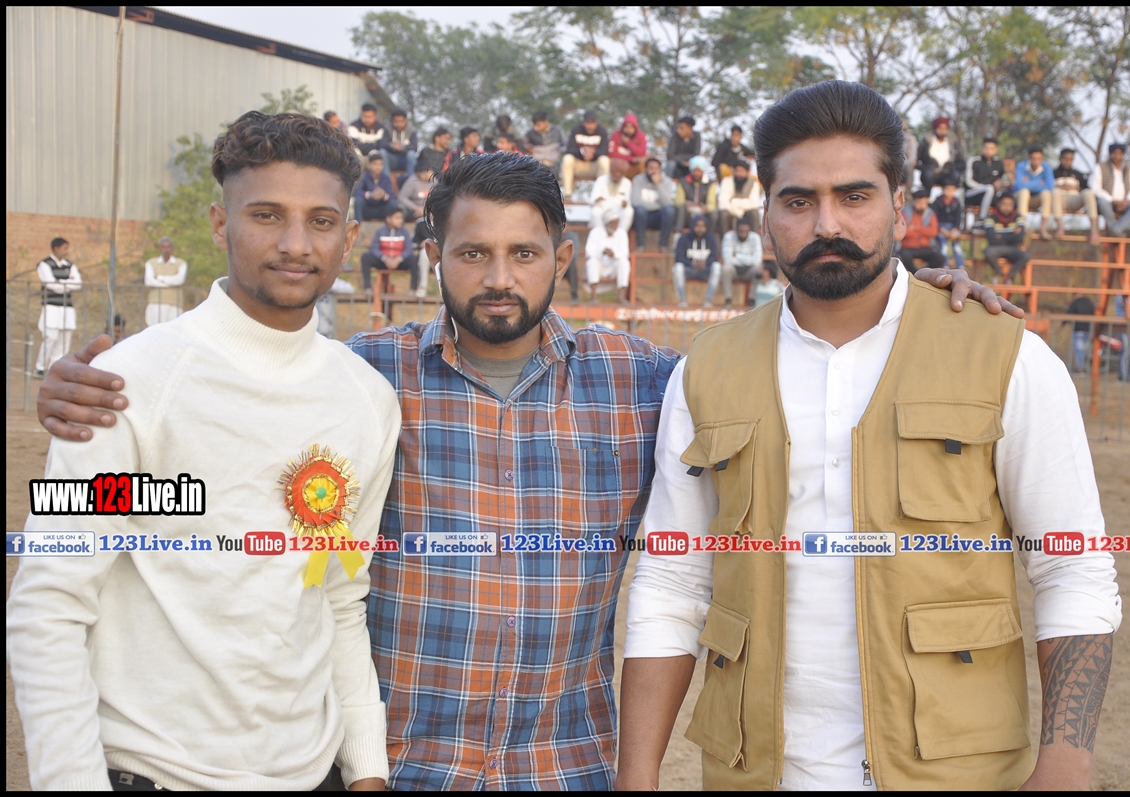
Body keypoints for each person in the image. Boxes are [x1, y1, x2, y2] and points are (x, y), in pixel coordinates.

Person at [39, 152, 1020, 790]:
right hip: (396, 765)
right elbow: (214, 466)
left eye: (523, 252)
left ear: (565, 256)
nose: (498, 277)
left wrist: (914, 297)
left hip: (570, 763)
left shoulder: (651, 383)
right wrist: (90, 387)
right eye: (472, 252)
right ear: (434, 255)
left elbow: (797, 366)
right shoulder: (358, 380)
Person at [617, 80, 1119, 793]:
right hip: (753, 773)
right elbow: (672, 580)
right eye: (798, 201)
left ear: (900, 207)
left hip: (956, 774)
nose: (828, 222)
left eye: (854, 196)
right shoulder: (707, 368)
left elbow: (1072, 567)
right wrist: (636, 776)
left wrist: (1066, 763)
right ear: (764, 217)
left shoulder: (1006, 356)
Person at [9, 111, 398, 792]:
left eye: (321, 221)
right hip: (152, 773)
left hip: (312, 775)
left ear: (349, 237)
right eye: (267, 215)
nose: (296, 243)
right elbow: (50, 602)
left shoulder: (367, 400)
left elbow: (339, 594)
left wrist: (367, 768)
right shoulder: (123, 385)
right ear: (221, 224)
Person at [34, 237, 82, 376]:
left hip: (67, 306)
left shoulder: (70, 265)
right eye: (64, 248)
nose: (67, 251)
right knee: (50, 336)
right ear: (56, 248)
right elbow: (50, 284)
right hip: (51, 305)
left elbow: (78, 284)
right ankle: (41, 366)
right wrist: (67, 283)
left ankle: (55, 367)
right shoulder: (44, 264)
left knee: (65, 338)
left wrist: (60, 282)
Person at [1090, 142, 1130, 236]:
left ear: (1123, 155)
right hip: (1108, 202)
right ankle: (1116, 231)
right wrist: (1112, 200)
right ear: (1110, 154)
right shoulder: (1100, 167)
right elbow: (1095, 188)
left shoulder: (1129, 168)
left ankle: (1115, 230)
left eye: (1119, 153)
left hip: (1125, 203)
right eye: (1114, 153)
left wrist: (1127, 201)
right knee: (1102, 203)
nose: (1116, 156)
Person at [361, 204, 417, 297]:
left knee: (414, 259)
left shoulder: (404, 232)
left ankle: (413, 290)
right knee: (365, 257)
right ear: (388, 219)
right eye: (397, 218)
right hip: (383, 261)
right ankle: (367, 288)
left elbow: (408, 249)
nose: (401, 220)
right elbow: (374, 248)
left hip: (400, 262)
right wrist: (384, 258)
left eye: (401, 218)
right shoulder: (380, 231)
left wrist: (399, 259)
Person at [1053, 147, 1101, 244]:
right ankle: (1060, 228)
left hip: (1074, 200)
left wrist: (1077, 188)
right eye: (1065, 159)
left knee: (1088, 193)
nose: (1068, 162)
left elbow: (1086, 188)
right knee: (1055, 191)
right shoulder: (1053, 173)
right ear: (1060, 159)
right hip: (1059, 201)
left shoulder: (1078, 174)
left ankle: (1094, 230)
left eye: (1071, 159)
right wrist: (1059, 186)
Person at [672, 214, 721, 308]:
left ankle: (708, 301)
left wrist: (705, 263)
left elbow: (714, 257)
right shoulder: (683, 238)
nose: (700, 229)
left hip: (705, 270)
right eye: (697, 226)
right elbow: (679, 257)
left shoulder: (711, 239)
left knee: (717, 266)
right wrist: (691, 264)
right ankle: (682, 301)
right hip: (689, 270)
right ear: (692, 226)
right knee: (677, 267)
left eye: (703, 226)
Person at [585, 206, 631, 303]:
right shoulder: (595, 232)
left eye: (617, 223)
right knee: (592, 262)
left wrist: (614, 254)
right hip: (600, 265)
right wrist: (602, 252)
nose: (616, 225)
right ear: (607, 223)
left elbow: (625, 253)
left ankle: (621, 297)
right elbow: (589, 252)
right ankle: (594, 297)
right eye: (613, 223)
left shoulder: (622, 233)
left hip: (613, 266)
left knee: (624, 262)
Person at [631, 157, 676, 251]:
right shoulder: (638, 180)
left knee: (669, 210)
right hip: (642, 216)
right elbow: (636, 201)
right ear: (646, 169)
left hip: (659, 216)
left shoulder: (667, 181)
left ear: (660, 170)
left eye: (656, 168)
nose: (654, 171)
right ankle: (641, 245)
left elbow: (667, 202)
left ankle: (663, 245)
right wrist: (657, 205)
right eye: (651, 168)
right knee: (640, 210)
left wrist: (658, 185)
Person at [984, 192, 1030, 282]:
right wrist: (1012, 234)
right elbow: (991, 238)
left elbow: (1020, 237)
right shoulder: (990, 218)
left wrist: (999, 236)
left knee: (1025, 256)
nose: (1007, 207)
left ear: (1013, 205)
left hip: (1013, 248)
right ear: (999, 204)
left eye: (1010, 204)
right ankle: (1001, 274)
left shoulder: (1018, 217)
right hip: (995, 248)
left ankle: (1009, 276)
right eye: (1004, 204)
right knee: (988, 253)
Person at [561, 110, 610, 194]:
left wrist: (593, 152)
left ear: (596, 123)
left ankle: (602, 194)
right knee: (567, 158)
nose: (590, 126)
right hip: (578, 166)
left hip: (594, 167)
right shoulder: (576, 129)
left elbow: (604, 151)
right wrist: (582, 151)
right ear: (583, 123)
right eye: (588, 123)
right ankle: (567, 194)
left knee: (604, 160)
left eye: (593, 123)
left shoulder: (602, 131)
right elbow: (569, 149)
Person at [1013, 144, 1055, 239]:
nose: (1036, 162)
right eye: (1033, 159)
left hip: (1037, 198)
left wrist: (1028, 183)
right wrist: (1040, 182)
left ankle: (1043, 228)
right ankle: (1023, 225)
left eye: (1039, 159)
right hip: (1020, 198)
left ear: (1042, 158)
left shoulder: (1047, 167)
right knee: (1024, 192)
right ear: (1029, 157)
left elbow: (1049, 186)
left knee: (1046, 193)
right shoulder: (1021, 166)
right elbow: (1019, 185)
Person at [143, 236, 188, 326]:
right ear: (160, 248)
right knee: (155, 329)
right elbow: (149, 281)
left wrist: (160, 278)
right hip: (156, 302)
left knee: (173, 330)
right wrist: (170, 283)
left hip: (174, 303)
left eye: (168, 247)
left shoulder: (180, 263)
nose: (166, 250)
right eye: (163, 247)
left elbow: (179, 280)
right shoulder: (151, 263)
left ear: (172, 248)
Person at [898, 188, 945, 272]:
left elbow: (933, 232)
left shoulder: (930, 213)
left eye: (924, 202)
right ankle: (915, 273)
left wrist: (916, 228)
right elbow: (903, 231)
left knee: (940, 258)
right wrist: (925, 230)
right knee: (903, 256)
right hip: (908, 247)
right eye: (920, 202)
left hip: (925, 247)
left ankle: (924, 272)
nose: (922, 205)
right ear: (914, 201)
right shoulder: (905, 212)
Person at [720, 217, 763, 307]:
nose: (743, 234)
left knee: (759, 269)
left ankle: (752, 299)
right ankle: (728, 300)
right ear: (736, 230)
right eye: (740, 231)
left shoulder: (755, 237)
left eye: (746, 232)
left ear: (749, 230)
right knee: (726, 268)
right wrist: (749, 259)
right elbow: (727, 259)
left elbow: (757, 260)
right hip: (734, 270)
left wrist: (738, 256)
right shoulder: (728, 236)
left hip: (749, 270)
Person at [965, 136, 1007, 223]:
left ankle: (1004, 223)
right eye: (986, 148)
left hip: (992, 195)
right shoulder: (974, 161)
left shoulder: (999, 163)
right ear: (982, 148)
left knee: (1007, 196)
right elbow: (968, 181)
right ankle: (982, 219)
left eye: (991, 148)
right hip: (973, 193)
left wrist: (1001, 182)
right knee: (989, 188)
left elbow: (1005, 179)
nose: (988, 151)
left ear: (996, 150)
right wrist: (984, 187)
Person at [915, 115, 965, 190]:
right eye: (940, 128)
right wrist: (924, 167)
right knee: (927, 175)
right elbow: (917, 157)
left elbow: (961, 159)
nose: (943, 131)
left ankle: (948, 197)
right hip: (931, 170)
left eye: (945, 128)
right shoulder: (927, 139)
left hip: (948, 170)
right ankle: (927, 195)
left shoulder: (952, 140)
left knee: (955, 175)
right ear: (935, 128)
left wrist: (953, 167)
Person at [716, 159, 762, 235]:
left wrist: (733, 202)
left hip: (746, 214)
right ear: (733, 171)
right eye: (737, 171)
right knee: (723, 214)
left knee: (754, 213)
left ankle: (754, 238)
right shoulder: (726, 181)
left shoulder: (754, 183)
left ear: (747, 172)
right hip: (730, 213)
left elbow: (753, 203)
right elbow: (723, 203)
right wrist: (738, 211)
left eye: (742, 171)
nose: (739, 174)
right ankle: (724, 239)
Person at [589, 157, 634, 232]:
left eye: (620, 172)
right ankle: (600, 234)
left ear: (623, 173)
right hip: (604, 209)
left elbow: (628, 202)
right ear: (611, 170)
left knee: (629, 211)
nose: (617, 174)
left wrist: (625, 204)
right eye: (616, 171)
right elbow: (592, 199)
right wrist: (596, 200)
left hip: (618, 210)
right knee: (595, 211)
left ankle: (620, 235)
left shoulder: (627, 183)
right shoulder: (601, 180)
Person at [677, 156, 717, 233]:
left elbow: (712, 204)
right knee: (681, 208)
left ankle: (710, 236)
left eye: (699, 171)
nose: (696, 173)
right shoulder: (683, 182)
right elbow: (677, 201)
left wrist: (706, 208)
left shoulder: (710, 184)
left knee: (713, 214)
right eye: (694, 170)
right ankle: (677, 234)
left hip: (703, 214)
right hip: (688, 213)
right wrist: (685, 203)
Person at [930, 178, 964, 268]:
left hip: (953, 227)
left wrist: (955, 229)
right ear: (943, 189)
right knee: (943, 247)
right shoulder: (937, 202)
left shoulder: (957, 202)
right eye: (947, 189)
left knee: (957, 247)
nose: (950, 192)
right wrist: (941, 229)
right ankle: (945, 265)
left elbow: (958, 218)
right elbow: (934, 218)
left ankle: (960, 265)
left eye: (952, 189)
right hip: (941, 227)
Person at [352, 151, 395, 221]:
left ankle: (390, 227)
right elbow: (356, 191)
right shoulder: (364, 176)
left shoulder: (386, 178)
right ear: (369, 165)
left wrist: (384, 195)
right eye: (375, 164)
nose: (378, 167)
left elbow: (392, 196)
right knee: (358, 200)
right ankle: (357, 225)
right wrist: (370, 195)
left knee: (393, 203)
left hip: (381, 209)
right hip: (367, 208)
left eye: (380, 164)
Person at [382, 108, 418, 178]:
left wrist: (402, 148)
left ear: (405, 121)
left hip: (405, 159)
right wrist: (391, 145)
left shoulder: (412, 130)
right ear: (392, 121)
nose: (398, 124)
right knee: (382, 152)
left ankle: (411, 180)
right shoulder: (387, 128)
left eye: (401, 121)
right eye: (396, 121)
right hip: (392, 159)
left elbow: (414, 147)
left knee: (412, 154)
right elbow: (382, 144)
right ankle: (386, 180)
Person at [1066, 292, 1096, 373]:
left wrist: (1063, 323)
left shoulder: (1075, 302)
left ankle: (1080, 368)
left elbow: (1069, 313)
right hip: (1088, 329)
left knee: (1079, 350)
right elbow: (1094, 312)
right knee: (1085, 350)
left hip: (1078, 329)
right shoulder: (1089, 302)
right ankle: (1086, 367)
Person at [666, 116, 703, 181]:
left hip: (690, 163)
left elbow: (696, 154)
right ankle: (668, 182)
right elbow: (670, 155)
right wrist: (683, 162)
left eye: (682, 128)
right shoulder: (675, 135)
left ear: (690, 128)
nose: (679, 131)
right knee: (670, 164)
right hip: (677, 163)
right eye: (678, 128)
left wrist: (680, 157)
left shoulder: (697, 136)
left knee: (699, 164)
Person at [901, 118, 917, 195]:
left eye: (904, 129)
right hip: (895, 165)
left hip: (906, 165)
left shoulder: (911, 139)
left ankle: (908, 194)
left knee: (909, 167)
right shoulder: (891, 139)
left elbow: (912, 157)